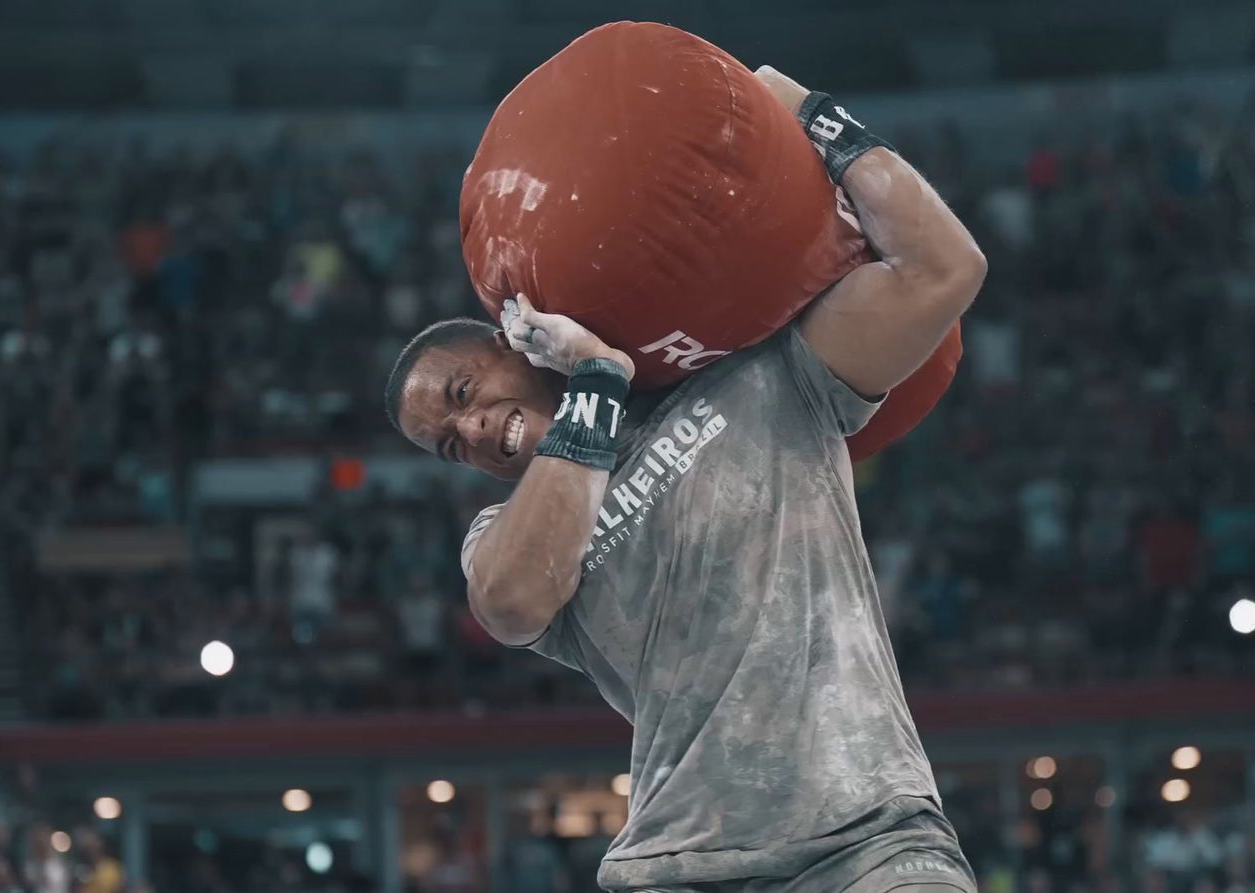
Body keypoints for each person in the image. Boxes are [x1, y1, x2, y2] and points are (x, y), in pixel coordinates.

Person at [385, 66, 986, 892]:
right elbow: (516, 598)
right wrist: (594, 381)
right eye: (450, 444)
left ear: (509, 336)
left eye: (463, 394)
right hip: (679, 864)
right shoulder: (506, 533)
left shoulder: (762, 377)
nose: (473, 429)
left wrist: (811, 117)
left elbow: (942, 270)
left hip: (874, 841)